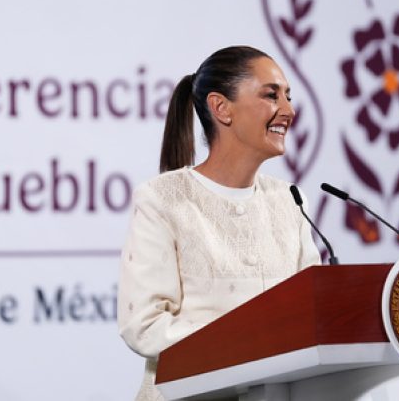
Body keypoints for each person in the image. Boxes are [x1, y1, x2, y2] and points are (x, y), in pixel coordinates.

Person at [117, 46, 321, 401]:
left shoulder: (289, 200)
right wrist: (250, 343)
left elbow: (314, 315)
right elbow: (145, 326)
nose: (288, 111)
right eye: (271, 95)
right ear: (221, 108)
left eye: (288, 96)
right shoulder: (162, 199)